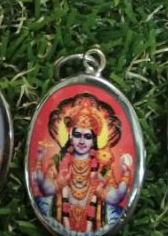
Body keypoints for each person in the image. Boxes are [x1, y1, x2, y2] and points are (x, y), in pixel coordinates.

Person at [33, 93, 132, 232]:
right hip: (59, 225)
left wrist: (125, 173)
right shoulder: (58, 162)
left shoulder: (102, 168)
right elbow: (45, 189)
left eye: (87, 136)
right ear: (70, 136)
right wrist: (42, 164)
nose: (81, 141)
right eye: (77, 135)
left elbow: (114, 198)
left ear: (94, 140)